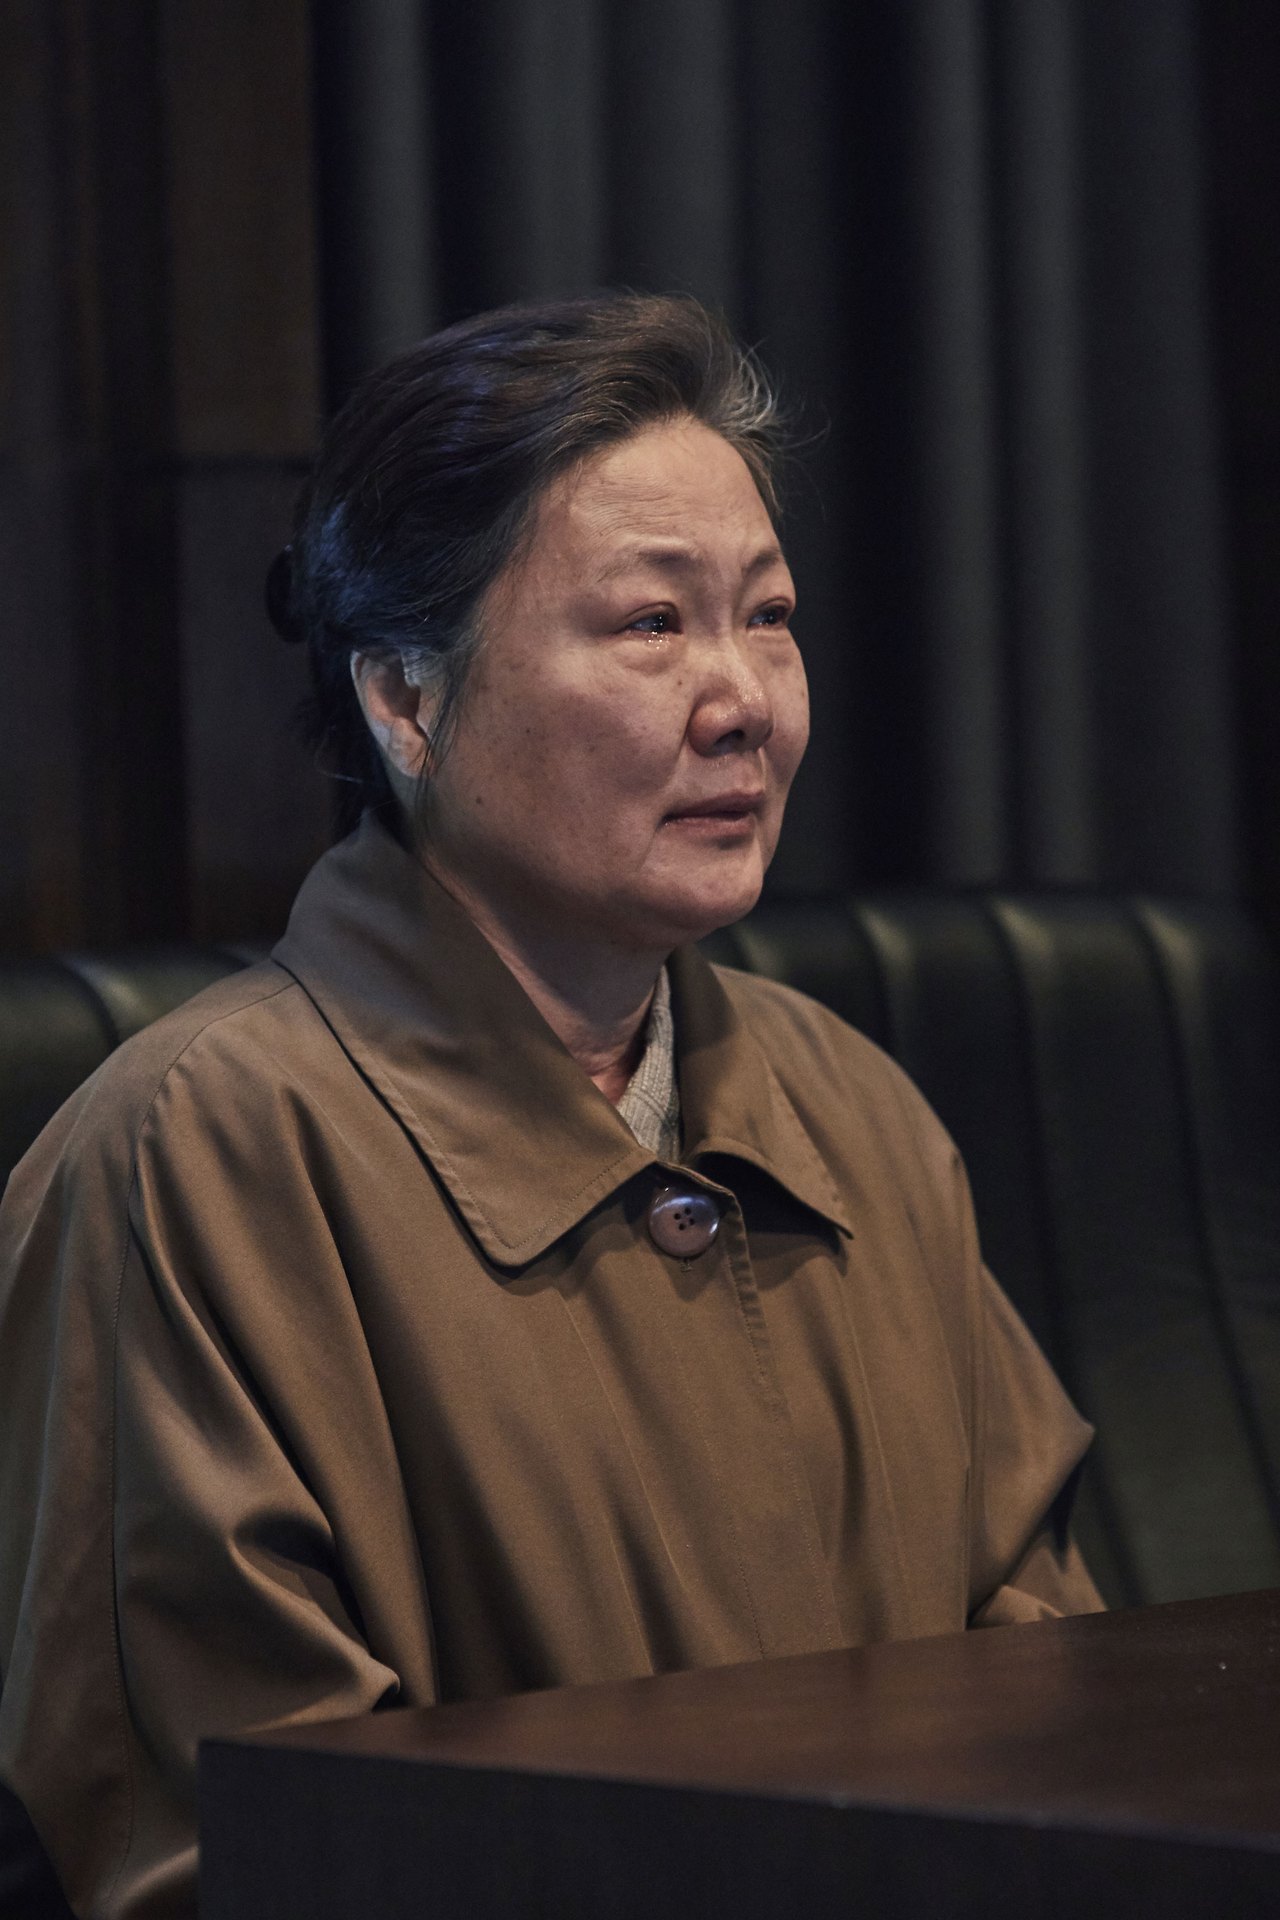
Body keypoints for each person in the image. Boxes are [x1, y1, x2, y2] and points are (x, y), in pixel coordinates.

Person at [0, 293, 1101, 1919]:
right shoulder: (194, 1157)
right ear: (405, 698)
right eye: (652, 624)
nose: (744, 699)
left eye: (770, 615)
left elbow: (1056, 1695)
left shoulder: (853, 1109)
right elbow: (242, 1848)